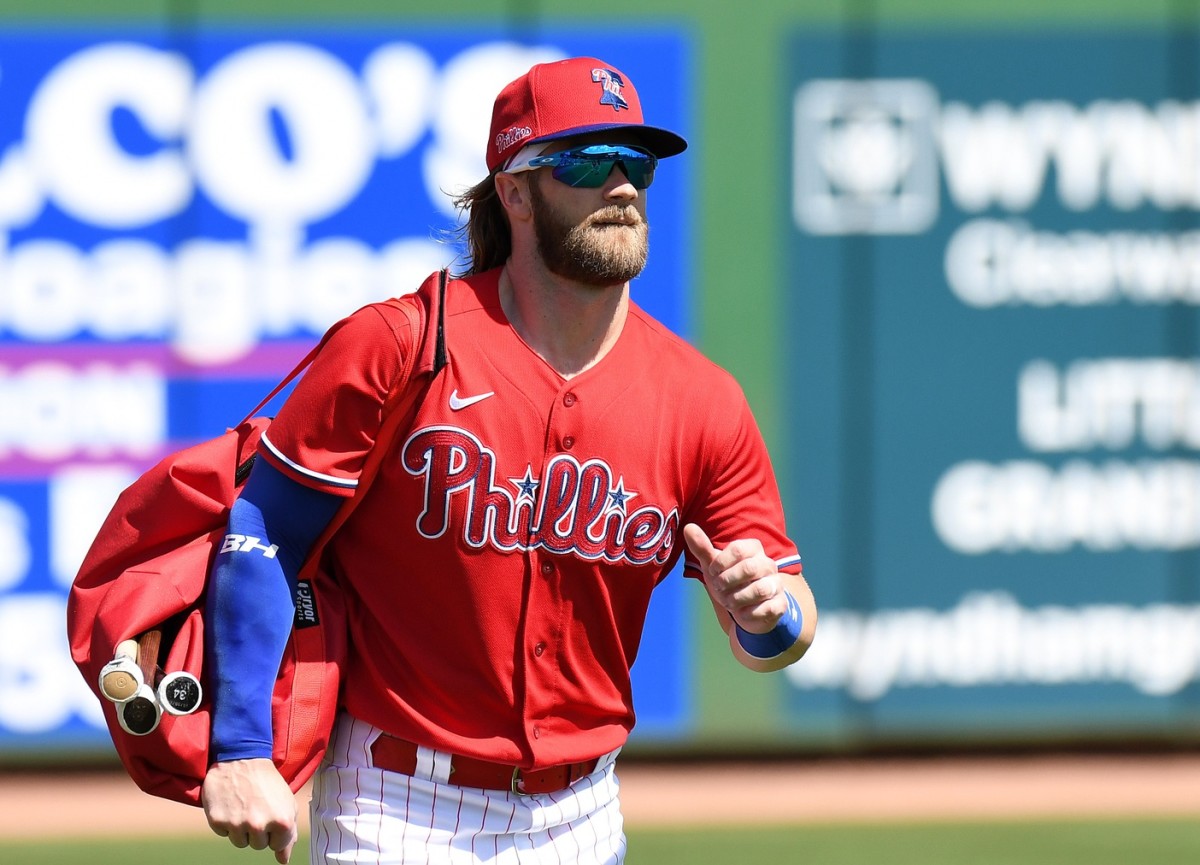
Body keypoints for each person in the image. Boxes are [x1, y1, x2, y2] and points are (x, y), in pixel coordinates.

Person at [199, 55, 818, 864]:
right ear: (516, 191)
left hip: (583, 813)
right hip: (397, 803)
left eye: (637, 163)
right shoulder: (401, 343)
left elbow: (783, 628)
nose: (622, 186)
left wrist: (770, 609)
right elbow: (262, 532)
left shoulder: (702, 399)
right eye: (589, 162)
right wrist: (241, 749)